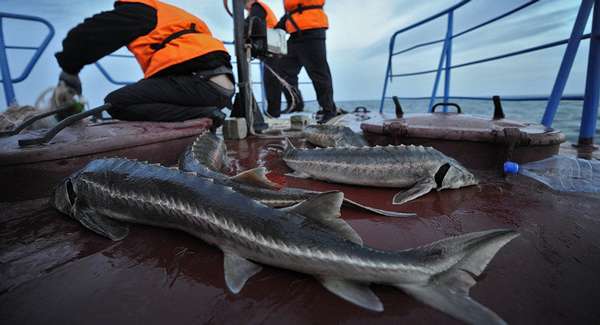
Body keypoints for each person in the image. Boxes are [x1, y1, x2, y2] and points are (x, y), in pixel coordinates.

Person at [55, 0, 234, 127]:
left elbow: (86, 36)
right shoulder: (173, 17)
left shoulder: (141, 10)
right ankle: (211, 111)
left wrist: (70, 69)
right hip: (220, 88)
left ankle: (205, 113)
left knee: (117, 102)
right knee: (138, 92)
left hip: (201, 84)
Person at [276, 0, 337, 124]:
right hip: (295, 34)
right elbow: (291, 13)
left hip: (312, 30)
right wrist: (274, 29)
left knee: (318, 72)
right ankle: (295, 104)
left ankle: (329, 110)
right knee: (283, 70)